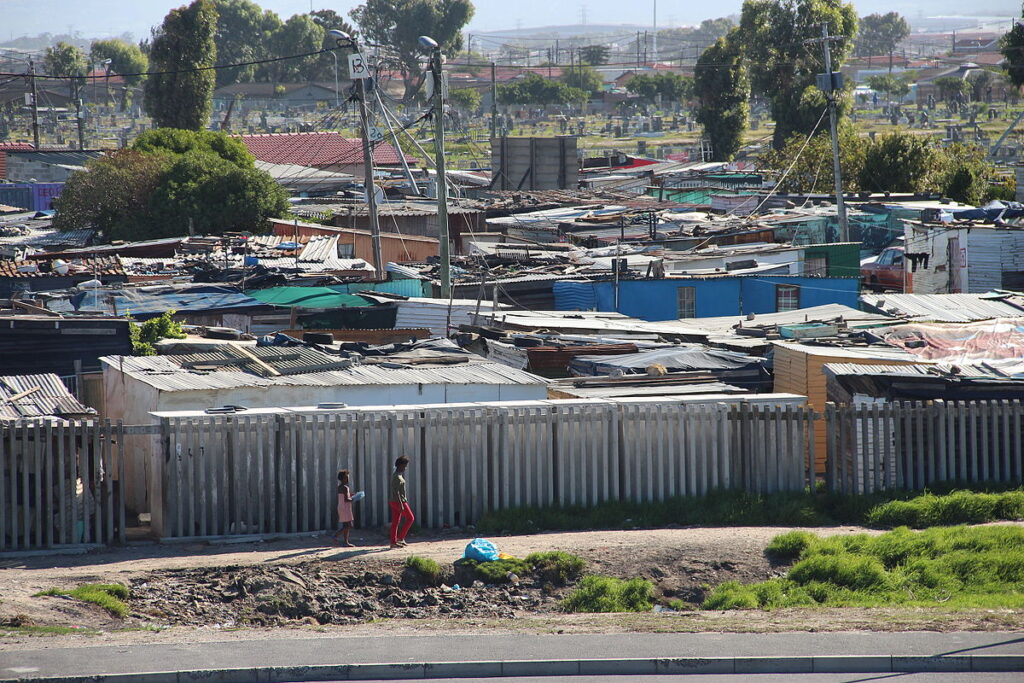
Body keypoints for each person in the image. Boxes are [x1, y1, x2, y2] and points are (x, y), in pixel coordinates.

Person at [388, 456, 414, 549]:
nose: (405, 468)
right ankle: (400, 538)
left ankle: (393, 542)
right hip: (399, 501)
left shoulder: (397, 475)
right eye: (404, 465)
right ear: (400, 465)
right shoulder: (396, 476)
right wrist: (400, 504)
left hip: (394, 501)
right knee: (410, 518)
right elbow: (396, 492)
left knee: (395, 522)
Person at [333, 469, 355, 547]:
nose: (348, 479)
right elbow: (346, 499)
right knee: (349, 525)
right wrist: (354, 498)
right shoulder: (345, 487)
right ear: (343, 479)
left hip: (341, 507)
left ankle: (346, 542)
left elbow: (344, 496)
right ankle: (336, 536)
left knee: (346, 525)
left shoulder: (340, 487)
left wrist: (351, 495)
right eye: (346, 477)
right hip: (345, 508)